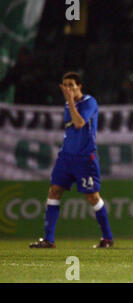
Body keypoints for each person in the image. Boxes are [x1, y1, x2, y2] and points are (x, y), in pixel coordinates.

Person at [29, 72, 114, 248]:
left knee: (92, 197)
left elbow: (79, 123)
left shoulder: (89, 102)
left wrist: (70, 101)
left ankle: (107, 238)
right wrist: (69, 102)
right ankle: (48, 239)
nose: (68, 88)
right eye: (65, 85)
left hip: (85, 158)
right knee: (54, 192)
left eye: (71, 85)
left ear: (79, 86)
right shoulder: (68, 105)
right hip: (65, 158)